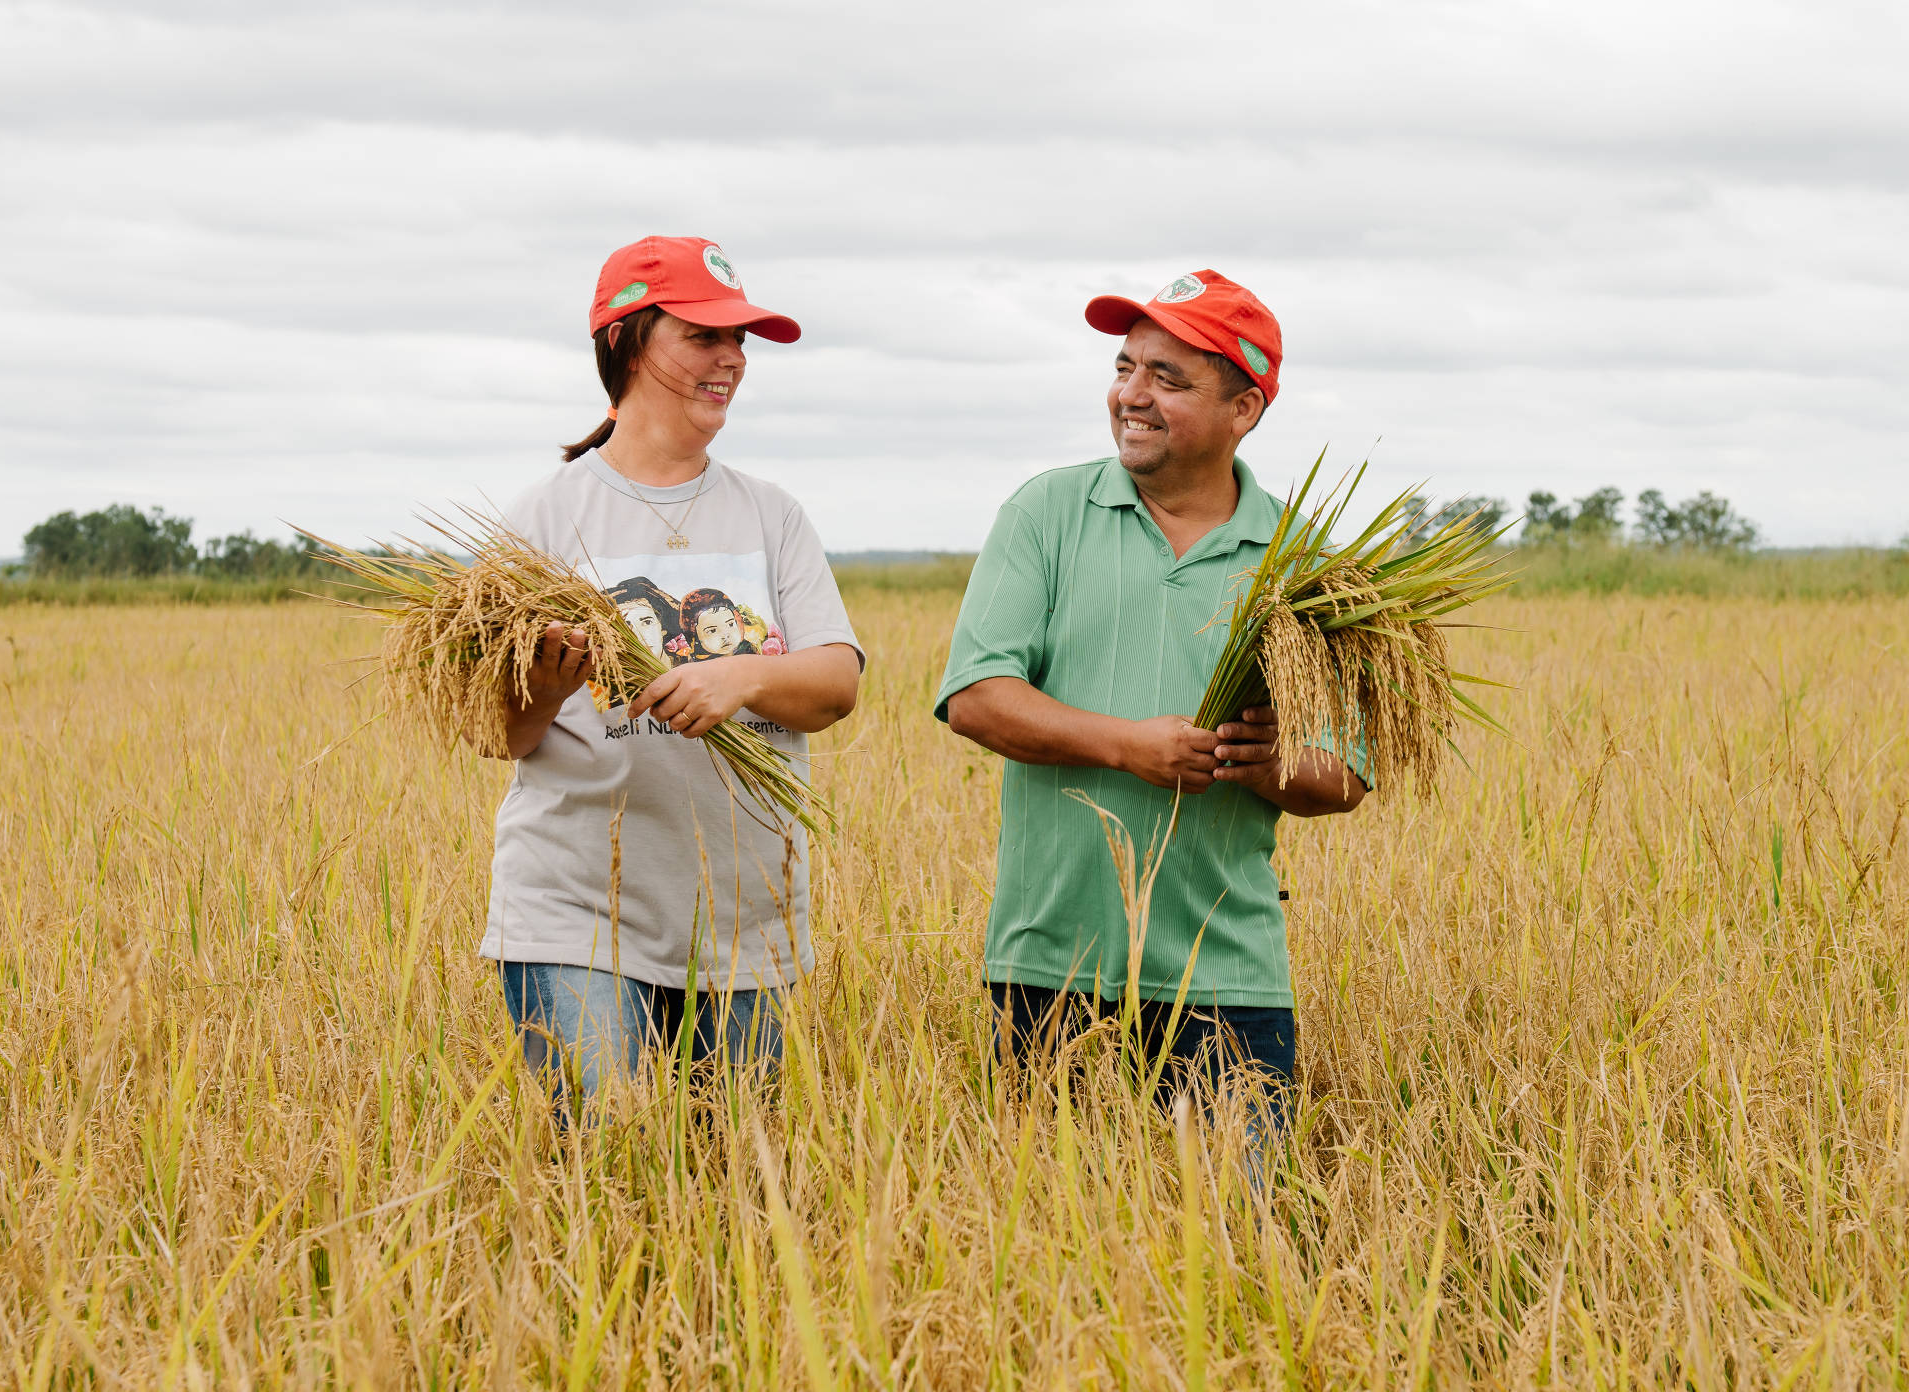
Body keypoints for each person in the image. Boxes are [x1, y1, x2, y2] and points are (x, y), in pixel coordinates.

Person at [933, 269, 1368, 1137]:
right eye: (1126, 368)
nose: (1132, 395)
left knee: (1234, 1247)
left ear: (1244, 409)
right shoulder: (1047, 513)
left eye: (1168, 379)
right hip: (1049, 965)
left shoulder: (1300, 562)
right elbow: (977, 698)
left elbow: (1344, 775)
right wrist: (1129, 745)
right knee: (1051, 1255)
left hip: (1227, 982)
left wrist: (1272, 766)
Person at [483, 235, 863, 1101]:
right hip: (577, 912)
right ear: (626, 340)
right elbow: (498, 732)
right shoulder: (544, 518)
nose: (731, 358)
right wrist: (546, 686)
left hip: (747, 921)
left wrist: (740, 679)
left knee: (733, 1191)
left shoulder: (770, 514)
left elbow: (837, 683)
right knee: (612, 1167)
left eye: (740, 341)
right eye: (703, 336)